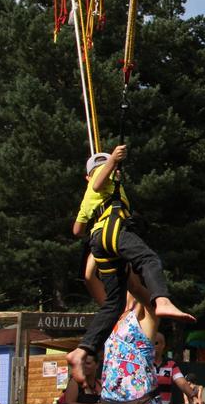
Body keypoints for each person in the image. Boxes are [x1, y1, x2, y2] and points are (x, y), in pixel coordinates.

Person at [68, 145, 193, 384]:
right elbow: (97, 183)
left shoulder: (89, 200)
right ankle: (163, 300)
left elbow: (77, 230)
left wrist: (102, 248)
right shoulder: (102, 182)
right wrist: (113, 160)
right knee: (149, 259)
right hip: (111, 231)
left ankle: (82, 350)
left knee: (112, 305)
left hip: (99, 239)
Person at [88, 283, 167, 404]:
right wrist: (94, 251)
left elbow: (138, 288)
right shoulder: (112, 315)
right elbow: (89, 278)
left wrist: (128, 255)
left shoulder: (147, 316)